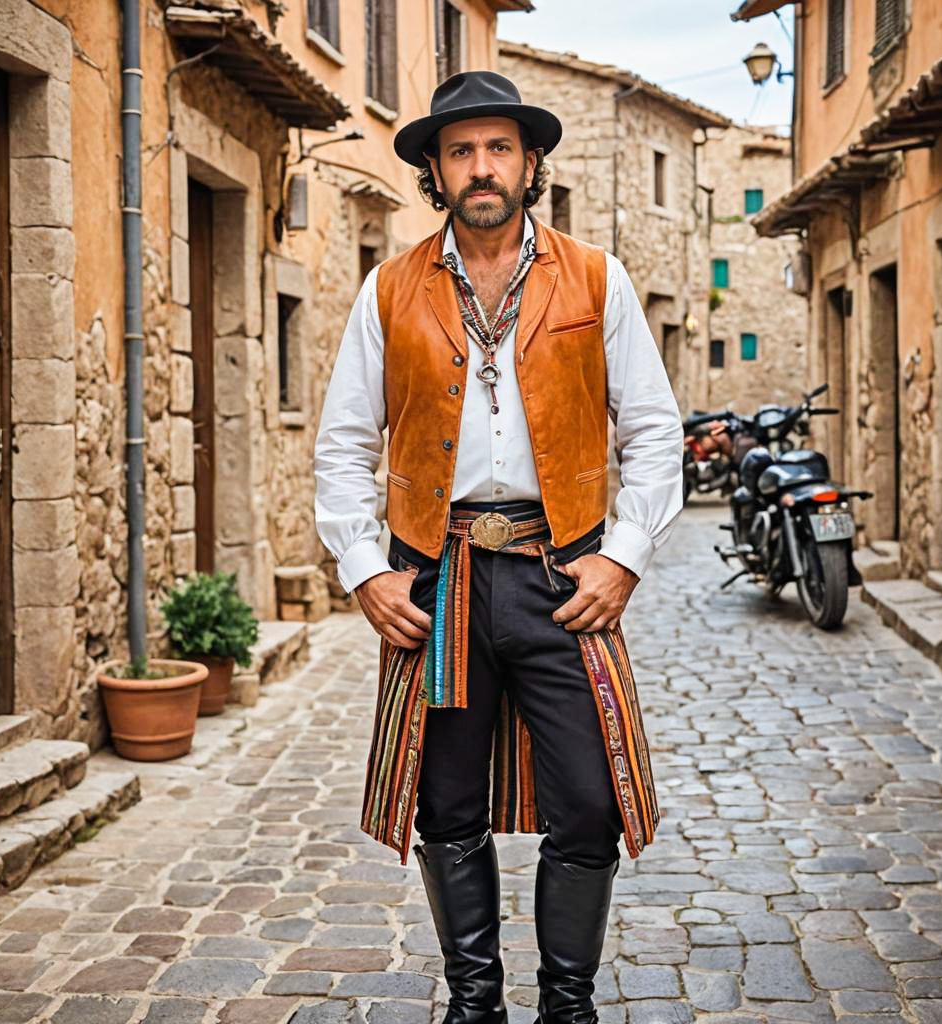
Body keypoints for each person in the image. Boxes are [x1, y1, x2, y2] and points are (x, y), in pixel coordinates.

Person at [314, 70, 684, 1024]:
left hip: (564, 573)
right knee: (446, 807)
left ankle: (567, 1005)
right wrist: (365, 568)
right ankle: (474, 1003)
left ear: (529, 163)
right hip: (438, 585)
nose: (482, 168)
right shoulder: (389, 288)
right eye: (461, 151)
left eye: (499, 148)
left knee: (592, 804)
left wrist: (625, 554)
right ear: (435, 170)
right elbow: (346, 442)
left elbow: (651, 429)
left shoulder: (596, 276)